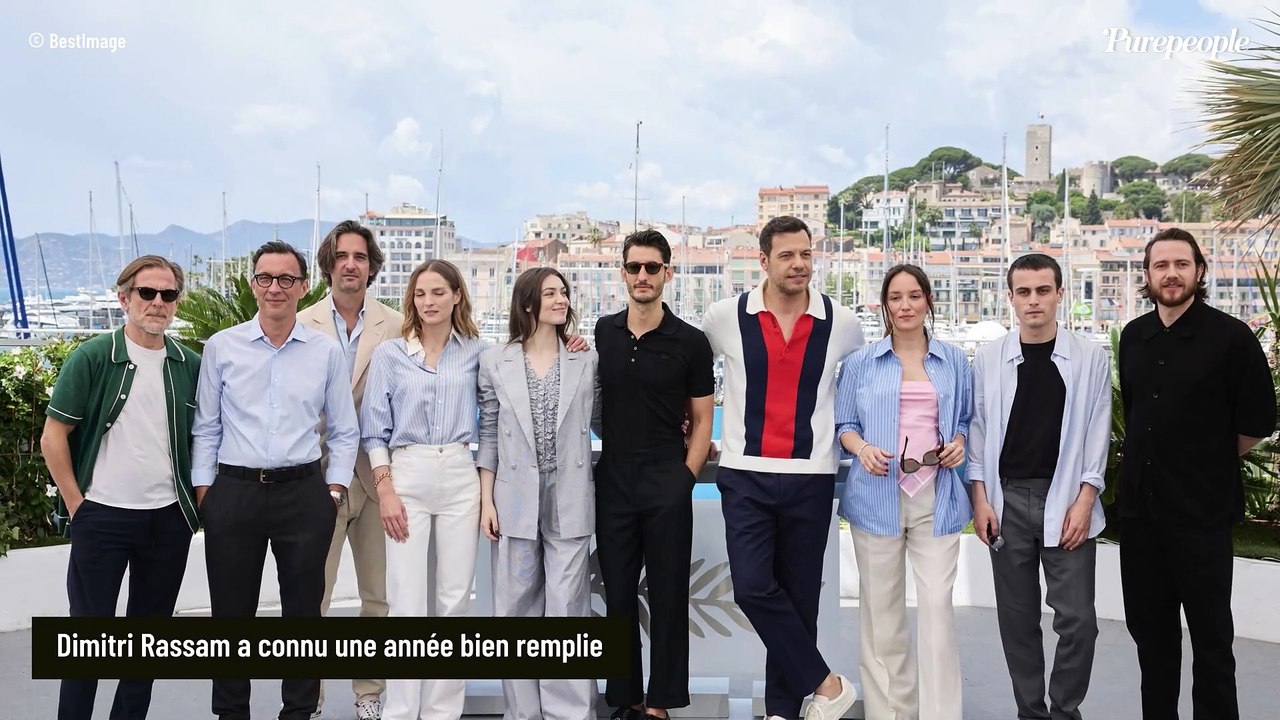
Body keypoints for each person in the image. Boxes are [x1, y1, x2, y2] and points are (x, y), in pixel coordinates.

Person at [701, 215, 864, 720]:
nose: (798, 264)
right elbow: (684, 373)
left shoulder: (843, 322)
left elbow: (861, 392)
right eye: (787, 255)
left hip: (812, 477)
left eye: (806, 254)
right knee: (751, 587)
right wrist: (694, 432)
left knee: (797, 601)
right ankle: (827, 683)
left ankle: (782, 712)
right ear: (764, 260)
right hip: (743, 473)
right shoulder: (724, 316)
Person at [192, 241, 360, 720]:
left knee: (303, 618)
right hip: (234, 494)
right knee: (230, 616)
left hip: (304, 495)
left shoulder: (325, 352)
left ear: (304, 287)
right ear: (253, 286)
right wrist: (207, 493)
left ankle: (298, 713)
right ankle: (231, 714)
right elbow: (206, 426)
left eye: (287, 279)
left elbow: (345, 431)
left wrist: (333, 491)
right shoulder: (222, 346)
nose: (275, 288)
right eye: (266, 278)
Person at [1117, 227, 1275, 719]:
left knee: (1211, 643)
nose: (1171, 274)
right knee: (1152, 640)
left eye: (1180, 264)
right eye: (1160, 265)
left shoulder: (1231, 338)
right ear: (1147, 275)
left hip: (1201, 517)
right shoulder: (1133, 336)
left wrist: (1204, 458)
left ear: (1198, 271)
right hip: (1142, 518)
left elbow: (1257, 422)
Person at [43, 256, 201, 720]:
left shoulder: (188, 364)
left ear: (177, 302)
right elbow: (54, 437)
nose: (157, 303)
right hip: (103, 517)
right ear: (124, 298)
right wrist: (79, 506)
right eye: (147, 293)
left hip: (168, 521)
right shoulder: (92, 356)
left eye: (167, 295)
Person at [969, 253, 1110, 720]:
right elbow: (979, 431)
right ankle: (1030, 712)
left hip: (1067, 499)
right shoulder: (989, 357)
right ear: (1010, 298)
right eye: (1024, 292)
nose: (1034, 301)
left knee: (1078, 622)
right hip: (1005, 501)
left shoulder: (1090, 357)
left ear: (1059, 294)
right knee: (1017, 620)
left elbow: (1097, 430)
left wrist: (1086, 497)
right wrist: (981, 500)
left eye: (1043, 290)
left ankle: (1064, 711)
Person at [833, 264, 972, 720]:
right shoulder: (861, 363)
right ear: (885, 304)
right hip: (876, 498)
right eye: (896, 297)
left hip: (939, 498)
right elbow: (844, 426)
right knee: (881, 617)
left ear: (928, 300)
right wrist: (863, 448)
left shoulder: (953, 360)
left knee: (936, 612)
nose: (905, 305)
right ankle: (890, 713)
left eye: (914, 295)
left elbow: (968, 421)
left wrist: (958, 445)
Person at [593, 231, 715, 720]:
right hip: (614, 478)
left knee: (668, 597)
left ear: (668, 273)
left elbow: (703, 420)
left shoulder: (691, 342)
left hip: (667, 476)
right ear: (622, 273)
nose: (642, 276)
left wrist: (684, 478)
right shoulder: (602, 332)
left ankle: (660, 704)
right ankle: (626, 700)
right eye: (634, 267)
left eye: (652, 267)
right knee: (618, 596)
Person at [360, 259, 488, 720]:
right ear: (411, 299)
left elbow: (493, 420)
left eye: (438, 292)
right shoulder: (391, 355)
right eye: (420, 293)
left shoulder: (478, 352)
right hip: (406, 475)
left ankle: (441, 712)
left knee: (454, 603)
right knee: (406, 602)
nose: (429, 302)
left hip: (459, 473)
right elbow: (373, 431)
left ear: (457, 295)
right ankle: (400, 710)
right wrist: (386, 491)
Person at [477, 267, 599, 720]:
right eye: (550, 293)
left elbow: (606, 419)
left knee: (568, 611)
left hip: (569, 494)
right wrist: (487, 500)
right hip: (514, 497)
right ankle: (523, 713)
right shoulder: (495, 359)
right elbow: (487, 431)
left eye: (564, 292)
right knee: (515, 612)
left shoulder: (586, 359)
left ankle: (569, 714)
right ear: (528, 302)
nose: (561, 299)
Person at [298, 220, 399, 720]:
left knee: (377, 599)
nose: (351, 264)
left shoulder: (398, 324)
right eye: (342, 256)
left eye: (360, 256)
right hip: (318, 480)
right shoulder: (301, 321)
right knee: (312, 596)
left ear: (372, 266)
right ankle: (308, 700)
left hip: (381, 480)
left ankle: (369, 695)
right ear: (328, 263)